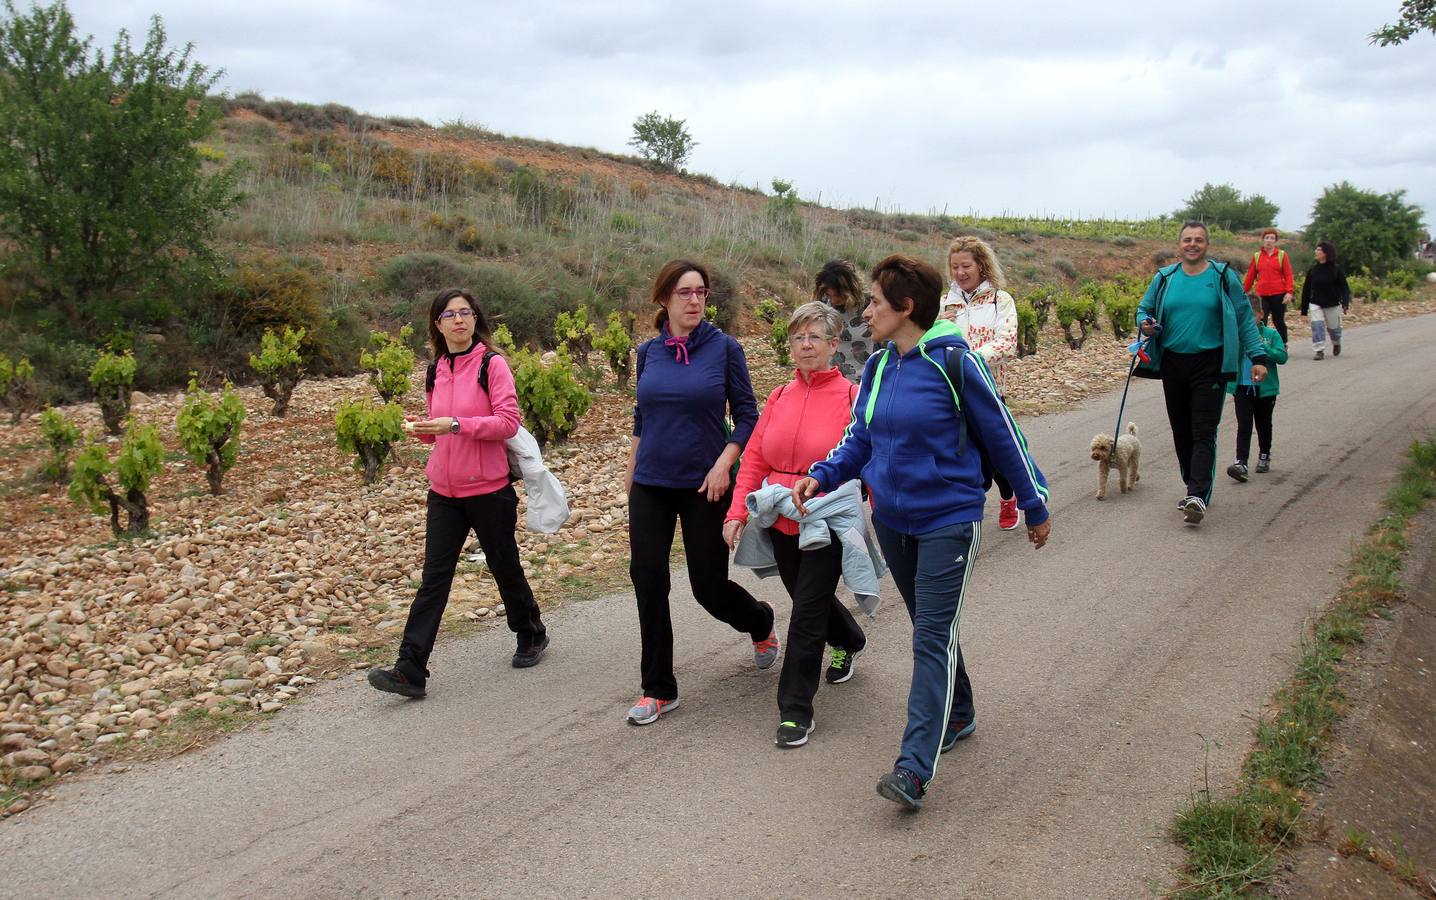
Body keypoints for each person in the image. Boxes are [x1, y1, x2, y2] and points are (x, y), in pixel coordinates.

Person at [792, 254, 1053, 811]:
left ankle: (913, 768)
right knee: (932, 624)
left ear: (906, 308)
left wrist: (1033, 502)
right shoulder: (883, 364)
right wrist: (822, 474)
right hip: (893, 521)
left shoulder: (955, 362)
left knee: (930, 635)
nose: (866, 311)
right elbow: (859, 438)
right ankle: (959, 713)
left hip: (949, 521)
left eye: (875, 303)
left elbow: (1004, 436)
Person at [368, 288, 549, 699]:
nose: (459, 320)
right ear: (437, 324)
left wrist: (453, 425)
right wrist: (425, 429)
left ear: (475, 319)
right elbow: (443, 430)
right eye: (449, 315)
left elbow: (507, 422)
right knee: (434, 580)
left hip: (489, 489)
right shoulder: (435, 370)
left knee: (504, 566)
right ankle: (409, 669)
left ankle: (532, 633)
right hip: (444, 491)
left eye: (466, 312)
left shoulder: (492, 364)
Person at [624, 259, 777, 726]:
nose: (695, 301)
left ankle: (760, 621)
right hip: (650, 483)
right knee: (647, 579)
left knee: (707, 587)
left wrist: (723, 464)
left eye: (702, 293)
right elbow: (642, 418)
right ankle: (658, 688)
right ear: (664, 298)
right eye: (685, 293)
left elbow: (748, 414)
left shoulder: (725, 348)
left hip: (704, 484)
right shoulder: (649, 352)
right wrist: (630, 474)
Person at [722, 302, 868, 749]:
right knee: (807, 598)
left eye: (814, 338)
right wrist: (736, 513)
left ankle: (795, 711)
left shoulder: (851, 396)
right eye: (798, 337)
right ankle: (849, 638)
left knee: (805, 614)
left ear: (832, 345)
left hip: (825, 518)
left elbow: (867, 455)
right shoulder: (780, 396)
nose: (805, 345)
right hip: (780, 516)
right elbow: (756, 458)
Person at [1136, 221, 1269, 526]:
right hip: (1173, 363)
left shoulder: (1222, 276)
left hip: (1210, 363)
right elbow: (1143, 310)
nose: (1192, 244)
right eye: (1187, 240)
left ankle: (1198, 494)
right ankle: (1191, 485)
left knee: (1203, 430)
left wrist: (1257, 356)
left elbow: (1244, 317)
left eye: (1198, 240)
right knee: (1181, 431)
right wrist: (1145, 323)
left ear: (1207, 245)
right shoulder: (1165, 278)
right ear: (1179, 245)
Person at [938, 236, 1021, 531]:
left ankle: (1010, 496)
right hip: (948, 393)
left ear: (981, 266)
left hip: (988, 390)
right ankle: (962, 510)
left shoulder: (1001, 300)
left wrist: (970, 361)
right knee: (957, 452)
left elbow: (1007, 342)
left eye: (966, 266)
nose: (960, 273)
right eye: (955, 267)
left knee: (996, 453)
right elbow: (928, 338)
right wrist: (938, 321)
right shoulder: (944, 303)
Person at [1225, 298, 1288, 481]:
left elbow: (1282, 356)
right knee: (1244, 424)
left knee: (1263, 424)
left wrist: (1263, 348)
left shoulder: (1271, 334)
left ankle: (1264, 455)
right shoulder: (1237, 335)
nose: (1248, 320)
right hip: (1242, 387)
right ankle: (1241, 462)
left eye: (1252, 316)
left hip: (1264, 390)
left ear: (1261, 315)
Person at [813, 259, 876, 383]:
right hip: (831, 378)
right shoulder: (823, 305)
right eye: (829, 295)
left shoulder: (871, 304)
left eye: (838, 295)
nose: (834, 300)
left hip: (865, 380)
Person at [1300, 240, 1351, 360]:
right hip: (1316, 303)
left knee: (1334, 329)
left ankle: (1336, 342)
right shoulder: (1313, 270)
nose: (1316, 252)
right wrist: (1303, 310)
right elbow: (1306, 290)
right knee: (1317, 325)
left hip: (1332, 303)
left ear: (1325, 253)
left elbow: (1344, 287)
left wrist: (1345, 303)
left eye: (1318, 250)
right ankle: (1319, 350)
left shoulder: (1336, 270)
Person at [1242, 227, 1295, 343]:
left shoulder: (1282, 255)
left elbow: (1288, 274)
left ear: (1275, 241)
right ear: (1263, 240)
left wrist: (1289, 292)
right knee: (1261, 319)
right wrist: (1243, 291)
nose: (1269, 240)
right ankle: (1260, 344)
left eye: (1272, 238)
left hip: (1279, 293)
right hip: (1262, 294)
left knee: (1278, 321)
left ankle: (1283, 343)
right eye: (1267, 238)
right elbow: (1250, 276)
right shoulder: (1257, 256)